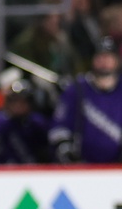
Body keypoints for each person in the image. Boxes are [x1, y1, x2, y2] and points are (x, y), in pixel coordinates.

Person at [50, 36, 122, 164]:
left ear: (117, 60)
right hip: (82, 169)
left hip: (117, 169)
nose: (104, 61)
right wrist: (65, 148)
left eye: (108, 57)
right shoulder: (77, 89)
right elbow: (59, 126)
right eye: (100, 57)